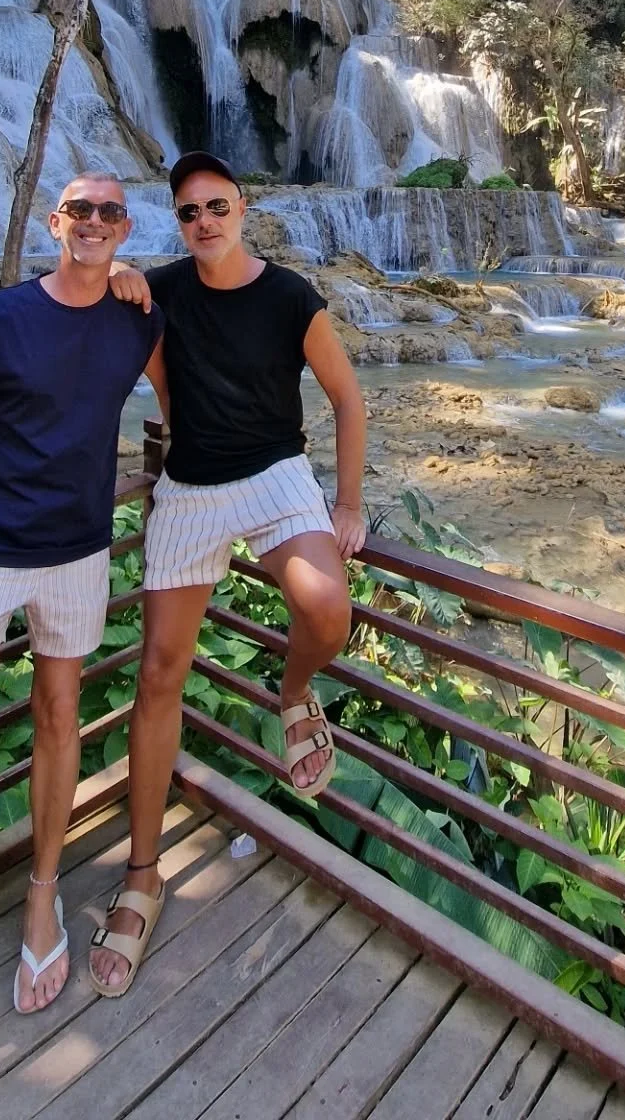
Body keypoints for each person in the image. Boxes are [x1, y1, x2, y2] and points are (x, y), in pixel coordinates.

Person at [89, 150, 366, 996]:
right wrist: (120, 277)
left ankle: (293, 694)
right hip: (189, 489)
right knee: (158, 676)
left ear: (243, 209)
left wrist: (348, 504)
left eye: (217, 206)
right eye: (189, 212)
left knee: (327, 609)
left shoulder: (290, 297)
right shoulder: (160, 291)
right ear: (177, 222)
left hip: (278, 476)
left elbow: (347, 398)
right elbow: (100, 315)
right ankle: (142, 878)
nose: (204, 221)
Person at [0, 172, 165, 1015]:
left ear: (124, 228)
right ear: (56, 223)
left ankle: (42, 891)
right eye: (80, 211)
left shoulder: (139, 318)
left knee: (61, 716)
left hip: (78, 553)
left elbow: (183, 391)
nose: (94, 222)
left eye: (109, 213)